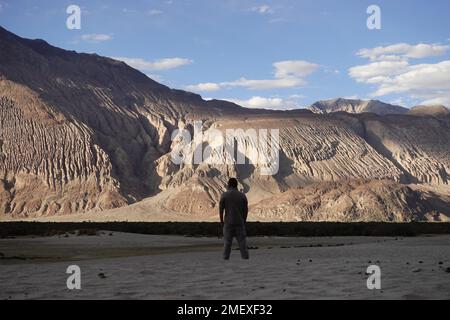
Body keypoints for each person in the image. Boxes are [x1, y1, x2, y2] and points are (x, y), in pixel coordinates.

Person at [219, 178, 249, 260]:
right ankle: (245, 261)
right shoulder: (242, 196)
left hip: (228, 223)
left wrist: (222, 221)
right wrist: (244, 221)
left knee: (227, 244)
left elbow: (221, 209)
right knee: (243, 245)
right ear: (236, 185)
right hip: (239, 223)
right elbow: (246, 210)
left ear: (229, 184)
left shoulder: (224, 195)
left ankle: (225, 261)